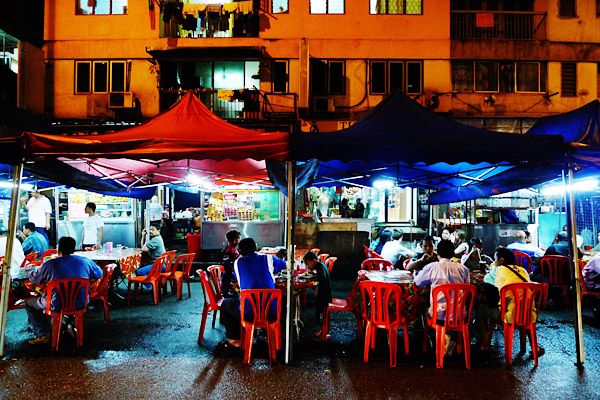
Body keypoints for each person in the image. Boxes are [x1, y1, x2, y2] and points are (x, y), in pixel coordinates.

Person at [25, 236, 103, 345]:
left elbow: (34, 279)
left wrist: (32, 272)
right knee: (70, 300)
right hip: (81, 302)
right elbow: (99, 274)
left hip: (55, 303)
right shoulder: (86, 261)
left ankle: (42, 334)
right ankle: (68, 324)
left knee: (30, 304)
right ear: (74, 249)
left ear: (58, 249)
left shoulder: (50, 264)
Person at [219, 238, 287, 349]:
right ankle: (273, 335)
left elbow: (241, 280)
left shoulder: (237, 263)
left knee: (226, 305)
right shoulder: (268, 258)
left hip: (248, 313)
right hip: (271, 312)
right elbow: (284, 264)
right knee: (283, 302)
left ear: (240, 252)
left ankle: (236, 339)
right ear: (256, 248)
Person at [476, 248, 544, 355]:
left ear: (501, 260)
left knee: (480, 308)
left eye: (495, 260)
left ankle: (484, 344)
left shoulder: (499, 270)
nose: (494, 262)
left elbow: (486, 280)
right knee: (523, 306)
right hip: (529, 313)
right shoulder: (522, 270)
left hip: (508, 314)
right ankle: (535, 347)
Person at [414, 239, 469, 356]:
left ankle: (436, 340)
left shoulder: (432, 267)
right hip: (459, 314)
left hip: (438, 314)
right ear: (453, 254)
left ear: (437, 252)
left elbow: (418, 283)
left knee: (423, 311)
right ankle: (451, 336)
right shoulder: (463, 269)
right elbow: (467, 287)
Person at [303, 251, 332, 338]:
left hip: (323, 296)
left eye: (308, 263)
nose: (307, 266)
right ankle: (324, 331)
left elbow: (322, 279)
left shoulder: (319, 267)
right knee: (320, 312)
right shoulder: (321, 265)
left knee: (320, 313)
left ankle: (324, 333)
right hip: (325, 294)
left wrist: (315, 282)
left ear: (313, 260)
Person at [220, 229, 241, 299]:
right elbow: (227, 264)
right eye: (239, 240)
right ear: (235, 241)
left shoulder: (233, 249)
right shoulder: (229, 251)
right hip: (229, 281)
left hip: (231, 277)